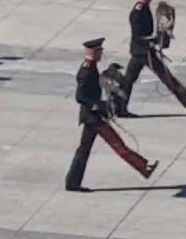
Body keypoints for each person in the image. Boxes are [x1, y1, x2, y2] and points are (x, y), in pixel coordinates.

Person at [66, 38, 156, 192]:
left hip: (93, 117)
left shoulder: (91, 67)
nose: (101, 54)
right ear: (93, 52)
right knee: (117, 145)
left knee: (84, 150)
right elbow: (80, 97)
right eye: (99, 51)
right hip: (93, 118)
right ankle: (143, 167)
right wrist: (97, 105)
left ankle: (72, 182)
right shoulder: (87, 71)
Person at [116, 0, 186, 116]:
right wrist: (154, 40)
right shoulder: (137, 13)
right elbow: (138, 35)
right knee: (162, 75)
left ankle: (120, 108)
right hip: (142, 52)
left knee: (130, 80)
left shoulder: (145, 8)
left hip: (143, 51)